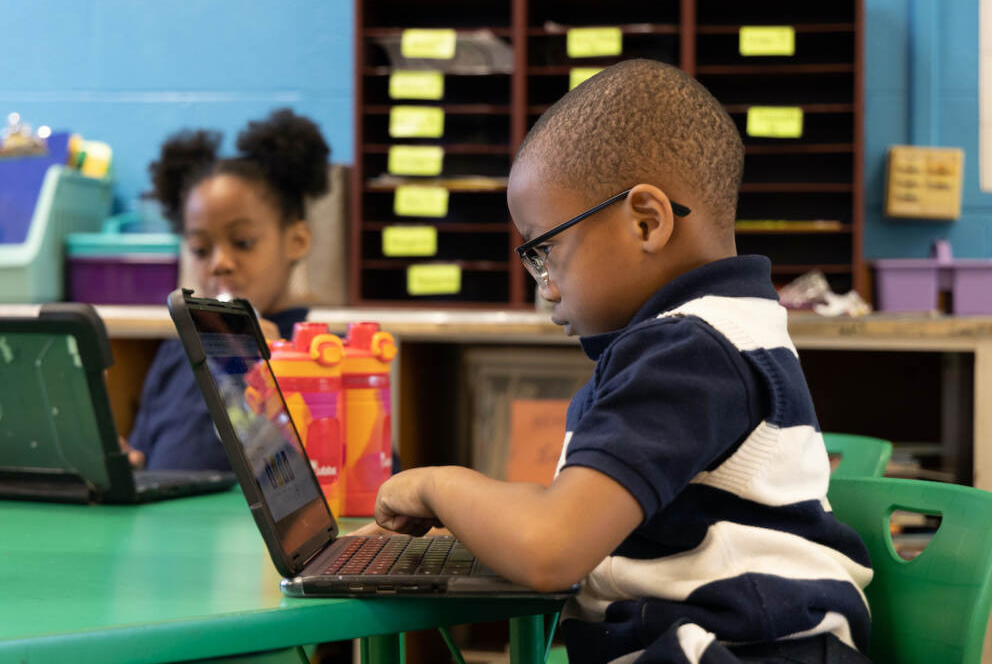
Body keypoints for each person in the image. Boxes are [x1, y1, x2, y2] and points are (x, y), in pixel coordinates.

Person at [367, 59, 873, 663]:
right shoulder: (715, 334)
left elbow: (550, 549)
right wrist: (480, 524)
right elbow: (578, 523)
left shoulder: (687, 353)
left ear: (647, 222)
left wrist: (436, 484)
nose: (546, 285)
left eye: (545, 249)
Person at [124, 108, 330, 471]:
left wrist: (279, 372)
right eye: (202, 250)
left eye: (244, 242)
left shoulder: (322, 355)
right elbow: (149, 460)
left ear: (296, 240)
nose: (219, 262)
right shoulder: (177, 353)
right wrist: (130, 466)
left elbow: (368, 482)